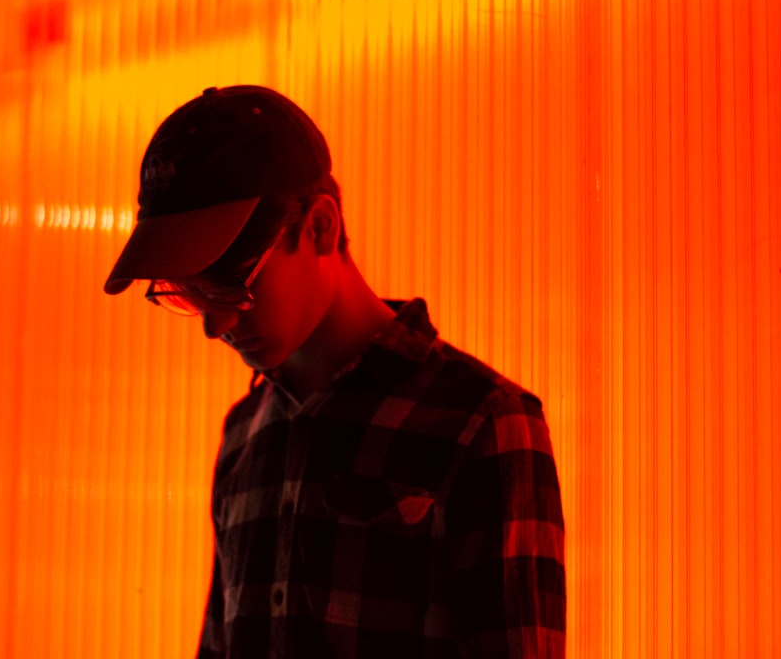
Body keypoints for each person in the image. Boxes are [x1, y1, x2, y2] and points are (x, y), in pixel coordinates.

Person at [103, 85, 566, 658]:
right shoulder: (244, 434)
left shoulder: (483, 423)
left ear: (320, 227)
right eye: (189, 295)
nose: (214, 325)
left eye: (230, 285)